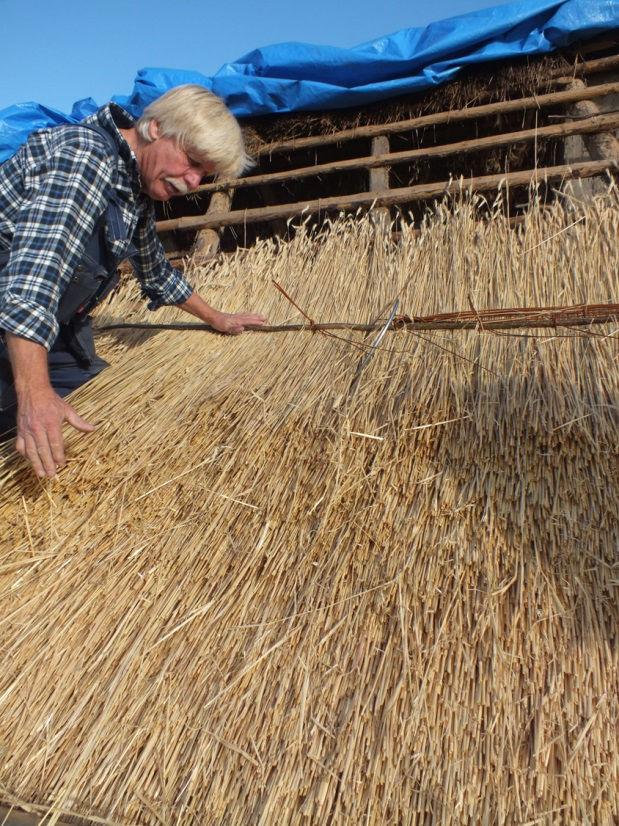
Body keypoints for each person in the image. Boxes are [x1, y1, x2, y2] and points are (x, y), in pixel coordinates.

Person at [0, 84, 265, 478]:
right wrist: (35, 393)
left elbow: (156, 272)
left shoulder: (134, 191)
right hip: (15, 320)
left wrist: (218, 318)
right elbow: (32, 284)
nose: (192, 182)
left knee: (103, 409)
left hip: (52, 331)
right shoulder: (84, 157)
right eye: (191, 161)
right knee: (29, 420)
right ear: (154, 128)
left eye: (202, 175)